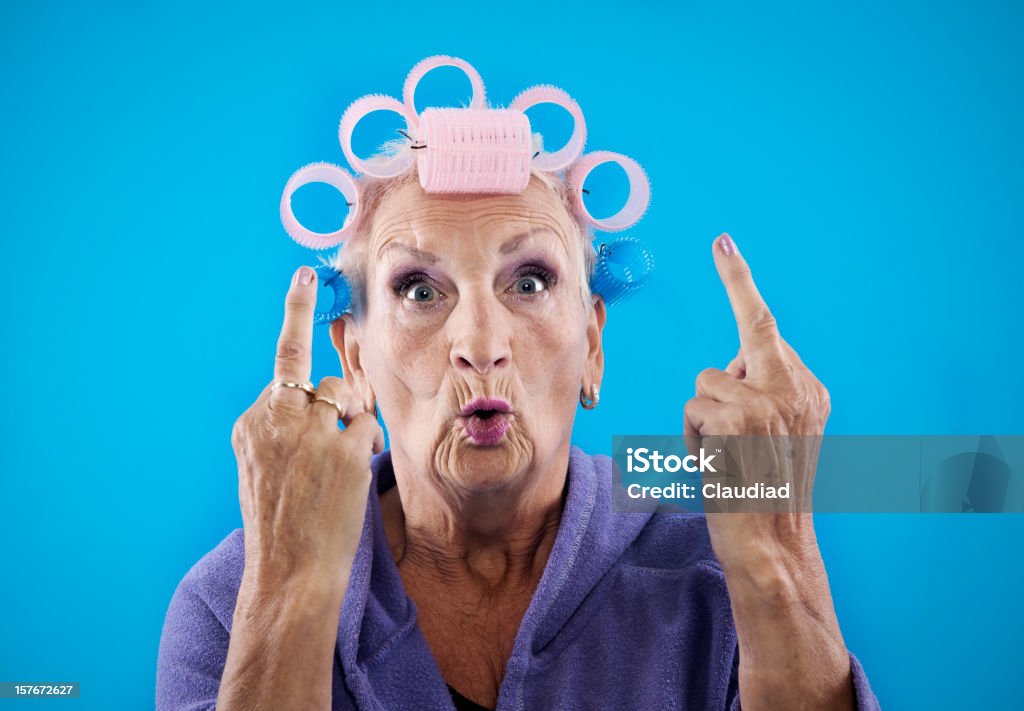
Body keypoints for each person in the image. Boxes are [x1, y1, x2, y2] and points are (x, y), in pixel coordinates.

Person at [156, 57, 881, 710]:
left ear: (592, 344)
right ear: (354, 360)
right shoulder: (233, 603)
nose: (480, 345)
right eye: (418, 289)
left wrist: (779, 567)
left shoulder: (714, 588)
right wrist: (286, 596)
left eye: (529, 280)